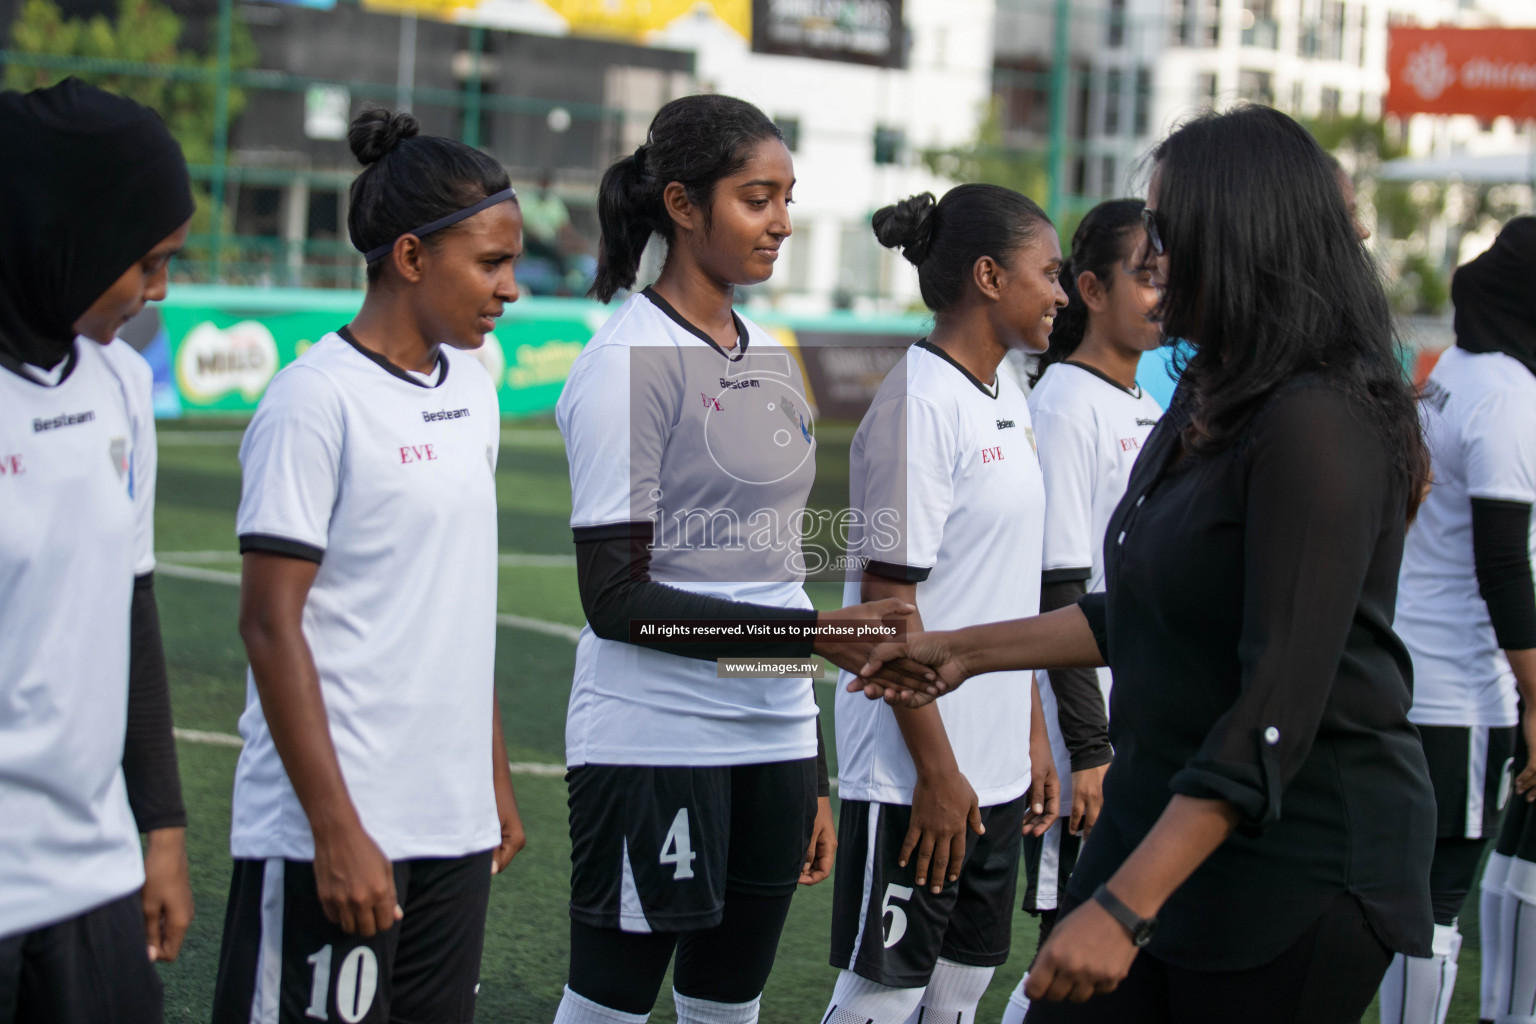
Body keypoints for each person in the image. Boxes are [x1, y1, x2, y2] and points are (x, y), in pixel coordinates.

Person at [852, 104, 1436, 1023]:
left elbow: (1276, 707)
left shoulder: (1318, 423)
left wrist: (1124, 908)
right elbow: (1146, 608)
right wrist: (962, 651)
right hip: (1159, 824)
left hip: (1288, 866)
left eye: (1166, 228)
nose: (1151, 254)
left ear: (1237, 234)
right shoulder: (1214, 387)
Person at [553, 94, 909, 1024]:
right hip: (653, 740)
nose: (782, 224)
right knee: (610, 1009)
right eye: (758, 199)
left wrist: (810, 762)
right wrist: (808, 641)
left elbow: (774, 574)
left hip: (774, 742)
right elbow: (617, 599)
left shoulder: (769, 352)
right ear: (682, 203)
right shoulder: (626, 358)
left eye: (788, 198)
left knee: (729, 1008)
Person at [210, 108, 526, 1023]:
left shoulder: (476, 381)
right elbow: (269, 625)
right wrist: (335, 827)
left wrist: (491, 777)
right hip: (334, 831)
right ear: (411, 257)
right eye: (490, 264)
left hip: (450, 826)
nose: (510, 288)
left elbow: (457, 601)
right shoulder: (313, 401)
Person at [819, 185, 1063, 1024]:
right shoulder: (919, 403)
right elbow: (889, 614)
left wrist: (1030, 731)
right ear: (990, 276)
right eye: (1050, 274)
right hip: (918, 771)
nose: (1062, 294)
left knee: (959, 997)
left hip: (991, 767)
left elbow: (1004, 587)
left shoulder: (1007, 390)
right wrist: (936, 771)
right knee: (881, 1000)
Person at [0, 78, 192, 1024]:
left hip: (93, 878)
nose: (158, 292)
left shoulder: (118, 384)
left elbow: (133, 610)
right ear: (60, 231)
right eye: (145, 261)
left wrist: (159, 829)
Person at [1001, 198, 1165, 1024]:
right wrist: (1085, 747)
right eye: (1146, 276)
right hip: (1081, 742)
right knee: (1056, 959)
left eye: (1170, 276)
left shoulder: (1146, 405)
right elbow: (1055, 585)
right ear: (1091, 289)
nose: (1162, 294)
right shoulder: (1065, 403)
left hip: (1133, 724)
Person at [1384, 218, 1536, 1024]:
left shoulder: (1457, 369)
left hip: (1408, 661)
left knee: (1406, 894)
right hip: (1461, 692)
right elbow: (1505, 564)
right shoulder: (1511, 395)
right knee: (1436, 904)